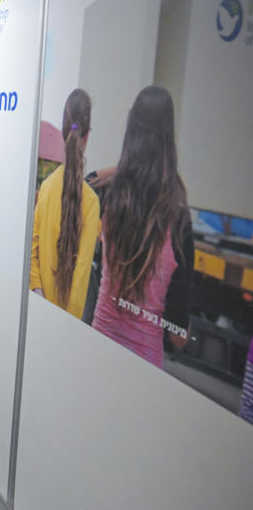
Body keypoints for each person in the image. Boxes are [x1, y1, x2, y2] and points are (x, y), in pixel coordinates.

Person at [92, 85, 193, 368]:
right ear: (169, 140)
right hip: (143, 370)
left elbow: (86, 180)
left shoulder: (111, 197)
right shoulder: (179, 220)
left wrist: (127, 168)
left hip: (97, 350)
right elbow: (179, 337)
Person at [30, 88, 101, 319]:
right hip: (66, 327)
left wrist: (39, 297)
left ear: (62, 132)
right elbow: (81, 281)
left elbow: (33, 250)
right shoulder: (91, 202)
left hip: (39, 314)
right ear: (87, 136)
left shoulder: (47, 188)